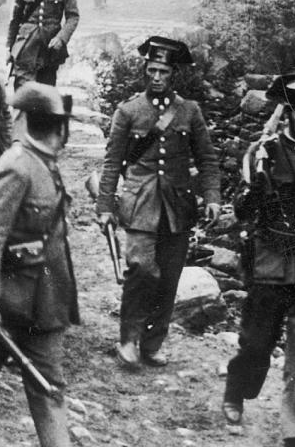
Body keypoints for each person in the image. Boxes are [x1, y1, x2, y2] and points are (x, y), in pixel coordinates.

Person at [0, 82, 79, 447]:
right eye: (60, 125)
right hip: (7, 300)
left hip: (46, 300)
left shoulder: (45, 162)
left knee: (48, 386)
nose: (62, 134)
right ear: (53, 125)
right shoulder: (17, 166)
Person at [222, 73, 295, 447]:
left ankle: (294, 430)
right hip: (270, 264)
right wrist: (256, 184)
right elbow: (241, 211)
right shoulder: (263, 153)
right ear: (287, 115)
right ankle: (236, 390)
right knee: (257, 345)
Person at [94, 36, 221, 368]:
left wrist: (212, 198)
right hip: (139, 203)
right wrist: (105, 207)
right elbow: (111, 163)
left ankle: (152, 344)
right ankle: (128, 339)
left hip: (177, 205)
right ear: (144, 71)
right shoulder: (128, 110)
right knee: (141, 269)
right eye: (152, 70)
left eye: (164, 71)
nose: (157, 77)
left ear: (174, 74)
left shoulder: (190, 111)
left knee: (169, 278)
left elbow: (207, 160)